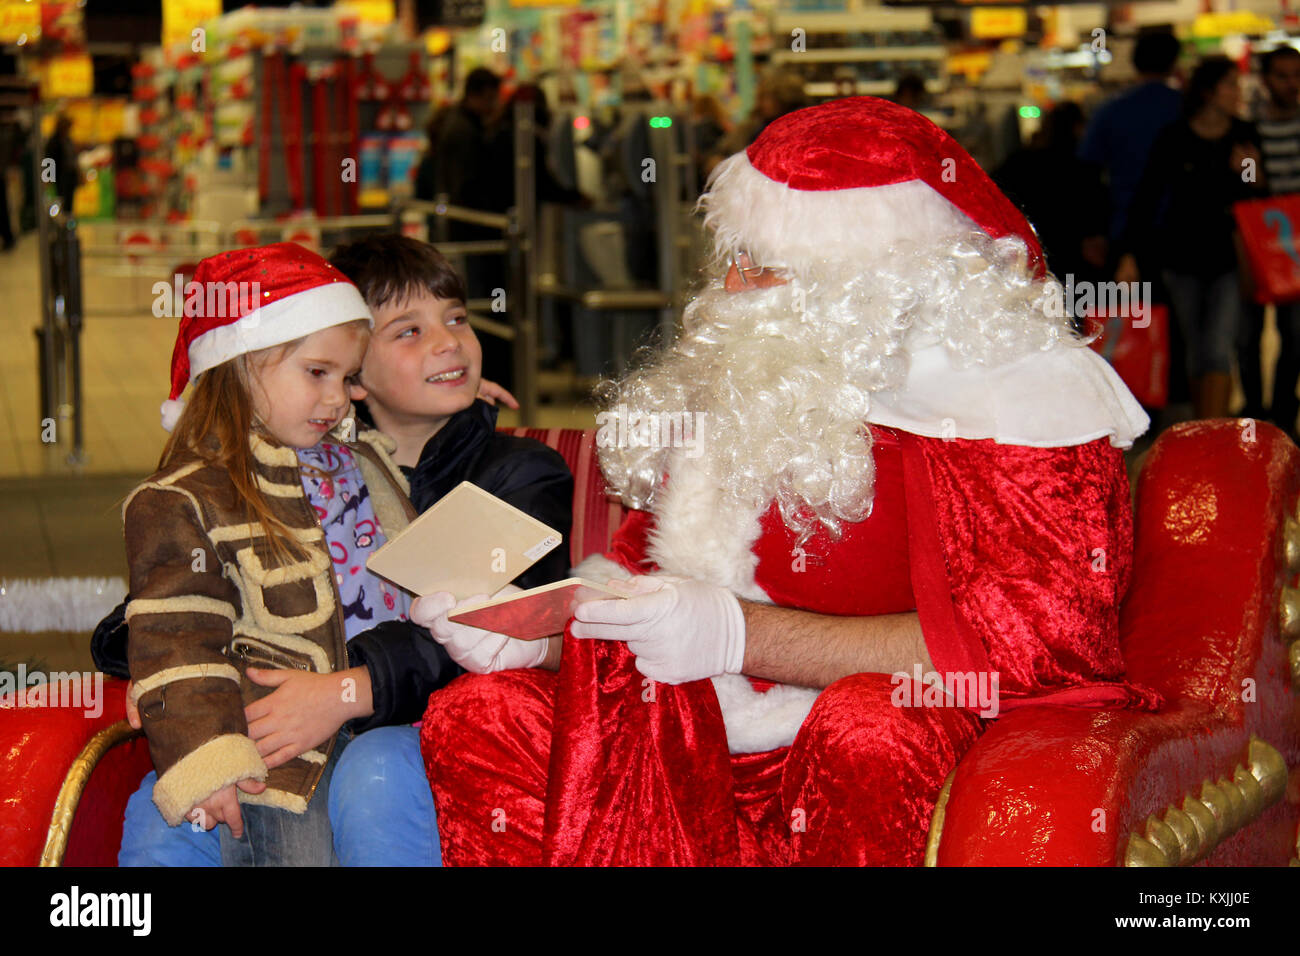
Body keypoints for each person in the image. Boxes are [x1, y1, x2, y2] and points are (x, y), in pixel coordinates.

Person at [416, 96, 1159, 866]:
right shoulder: (756, 378)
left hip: (880, 746)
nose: (733, 288)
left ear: (875, 277)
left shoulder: (1018, 404)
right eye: (732, 257)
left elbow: (1041, 645)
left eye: (765, 265)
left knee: (871, 727)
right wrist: (538, 644)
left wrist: (742, 635)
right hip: (697, 727)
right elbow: (646, 582)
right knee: (483, 715)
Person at [95, 237, 573, 866]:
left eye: (458, 318)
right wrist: (168, 678)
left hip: (405, 719)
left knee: (368, 777)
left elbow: (505, 622)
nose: (448, 343)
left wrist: (346, 690)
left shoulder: (507, 471)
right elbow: (163, 612)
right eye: (407, 331)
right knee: (163, 813)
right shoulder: (302, 466)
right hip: (266, 722)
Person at [114, 242, 442, 866]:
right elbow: (177, 632)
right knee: (184, 824)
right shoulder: (187, 496)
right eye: (316, 373)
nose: (339, 398)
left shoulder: (368, 463)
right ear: (237, 365)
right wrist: (205, 754)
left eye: (347, 379)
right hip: (264, 744)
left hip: (377, 716)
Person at [1117, 57, 1264, 420]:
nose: (1238, 93)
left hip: (1228, 256)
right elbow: (1147, 197)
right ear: (1209, 92)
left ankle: (1214, 428)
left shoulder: (1243, 134)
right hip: (1181, 256)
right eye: (1231, 85)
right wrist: (1130, 253)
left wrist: (1248, 172)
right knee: (1194, 349)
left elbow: (1257, 196)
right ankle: (1204, 426)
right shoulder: (1176, 136)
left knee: (1216, 346)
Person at [1239, 45, 1300, 438]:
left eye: (1296, 76)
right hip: (1256, 243)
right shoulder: (1249, 129)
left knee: (1295, 334)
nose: (1291, 84)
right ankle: (1255, 410)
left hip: (1294, 247)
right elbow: (1242, 186)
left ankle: (1281, 408)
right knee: (1247, 334)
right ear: (1265, 80)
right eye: (1282, 76)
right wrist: (1252, 176)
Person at [1079, 30, 1183, 244]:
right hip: (1180, 224)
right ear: (1173, 64)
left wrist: (1092, 232)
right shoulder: (1186, 108)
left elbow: (1088, 173)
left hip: (1123, 225)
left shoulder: (1110, 111)